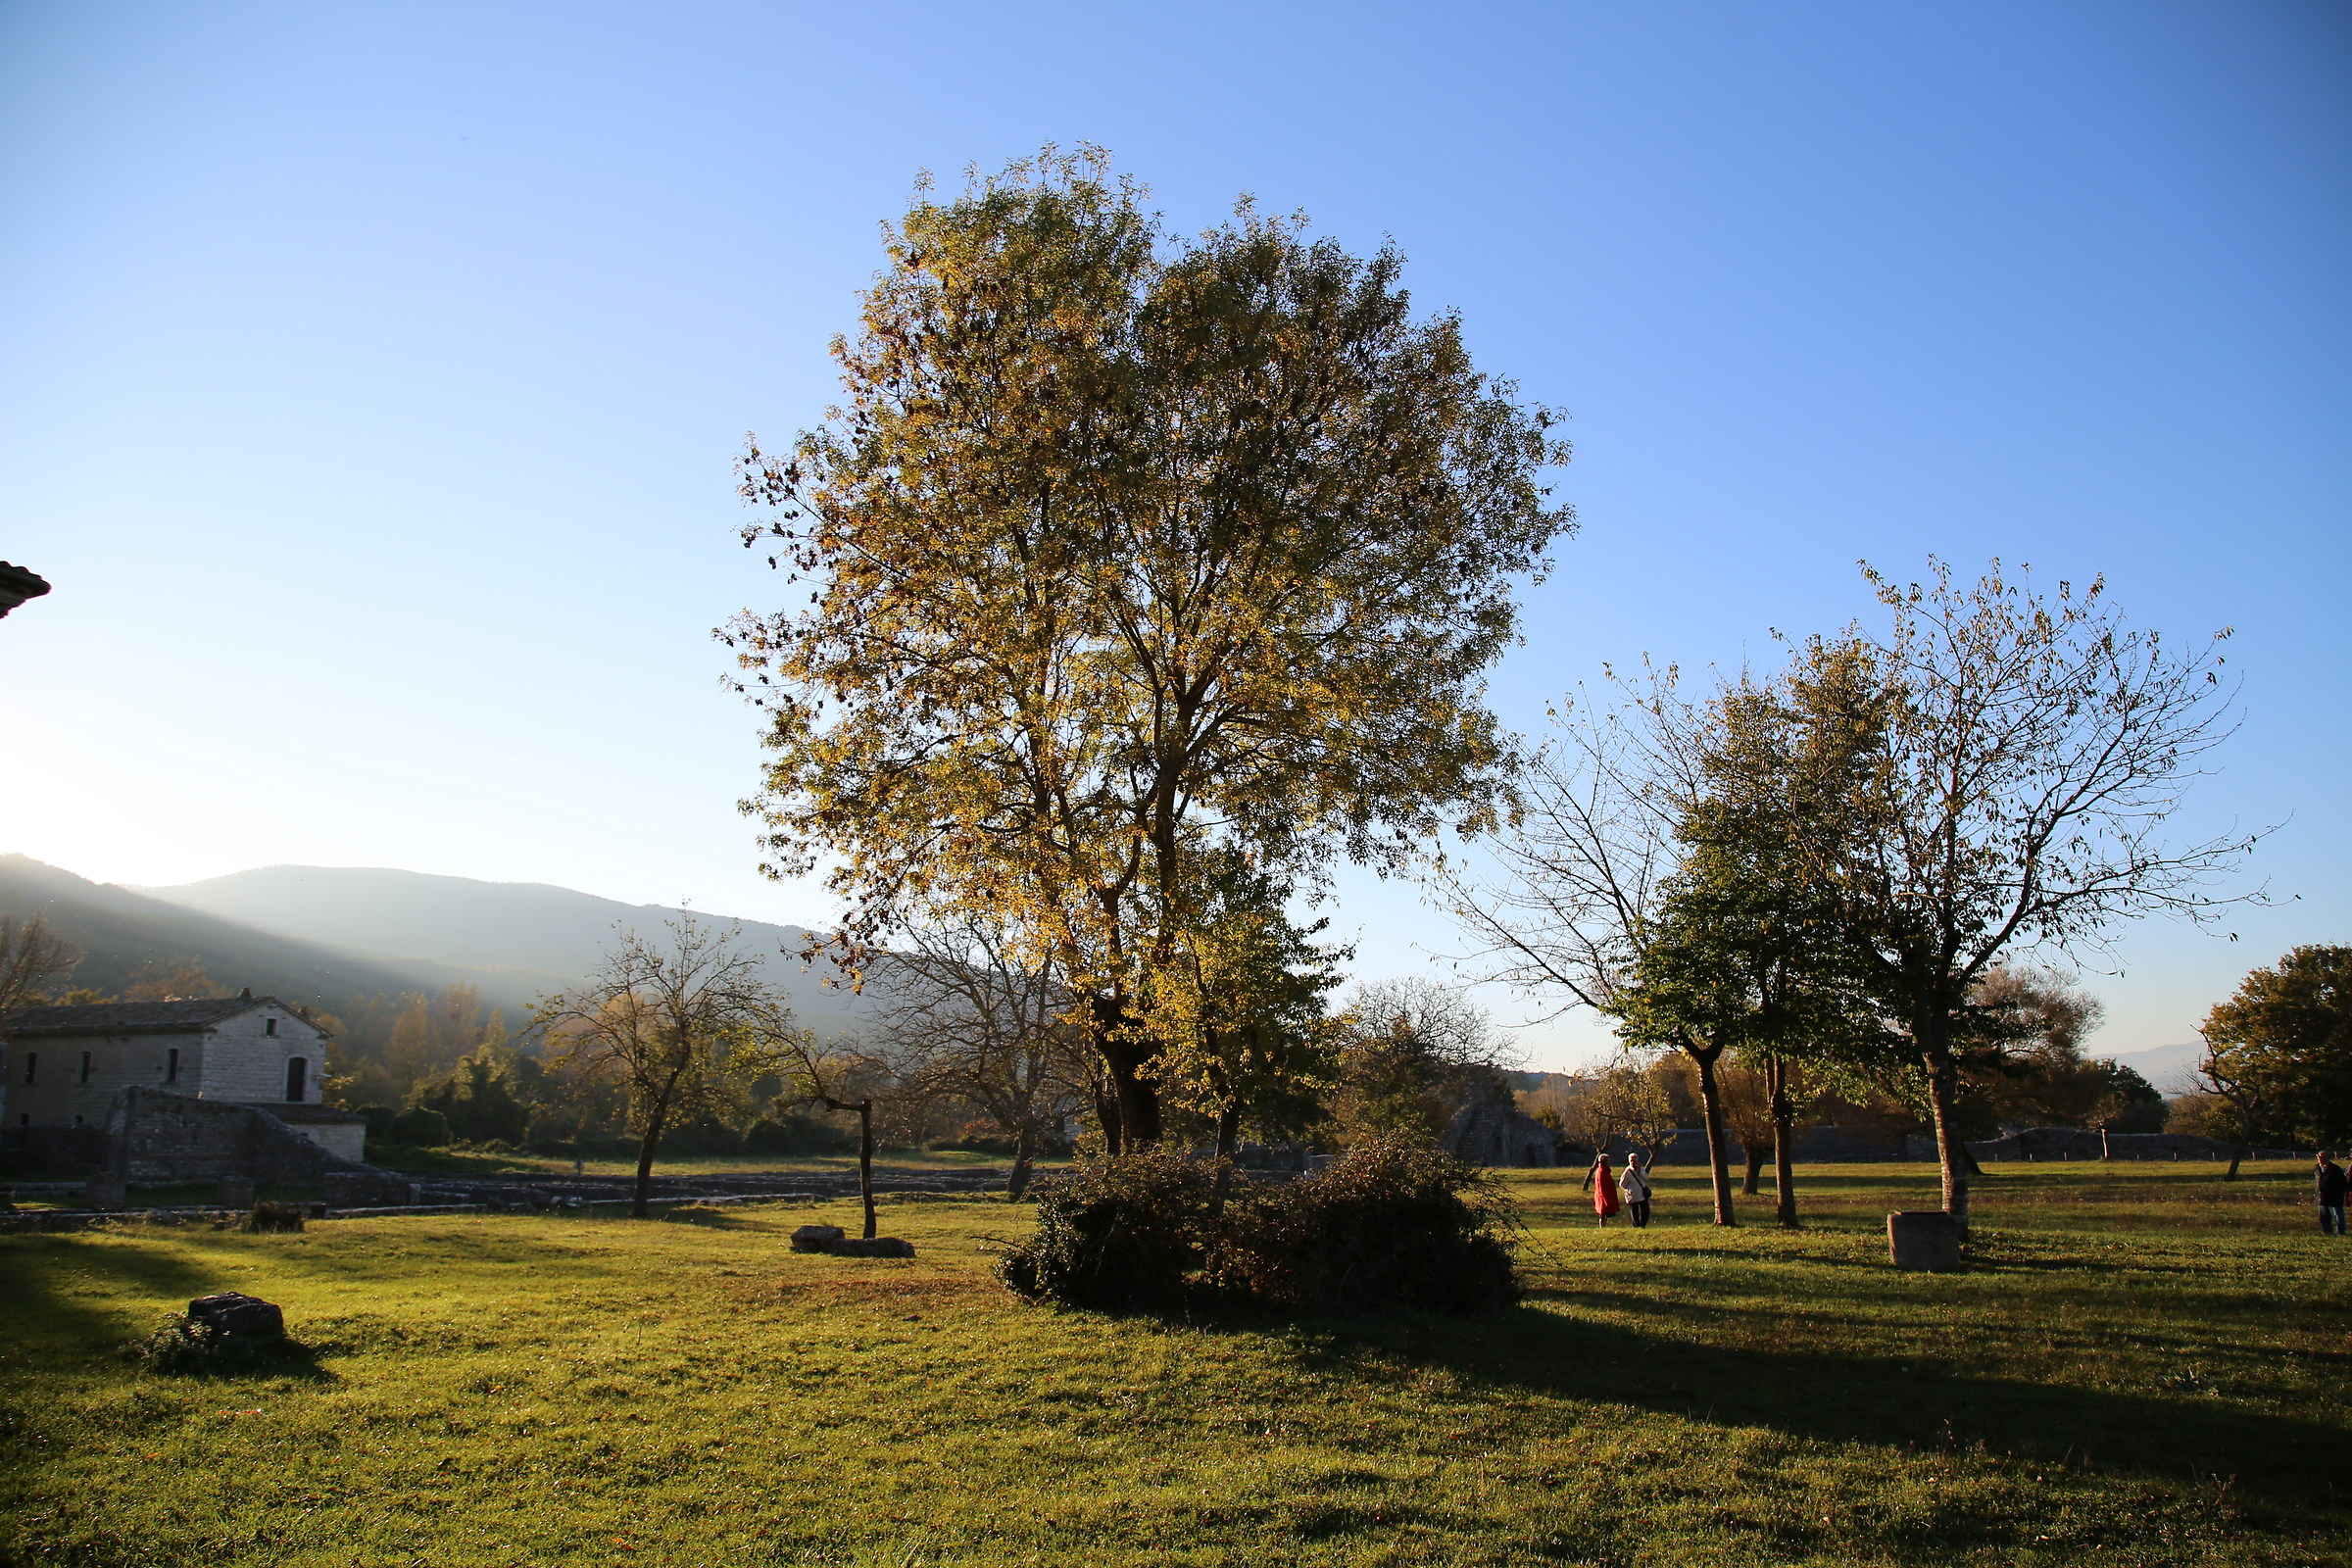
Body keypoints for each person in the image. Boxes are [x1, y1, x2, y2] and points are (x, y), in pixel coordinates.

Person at [2316, 1151, 2346, 1237]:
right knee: (2324, 1217)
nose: (2319, 1158)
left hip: (2334, 1197)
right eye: (2318, 1156)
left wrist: (2339, 1192)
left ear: (2327, 1158)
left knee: (2338, 1216)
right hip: (2322, 1196)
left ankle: (2341, 1232)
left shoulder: (2335, 1169)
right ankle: (2327, 1232)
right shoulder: (2317, 1168)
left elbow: (2343, 1183)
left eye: (2321, 1157)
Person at [1620, 1151, 1653, 1229]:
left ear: (1637, 1161)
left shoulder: (1641, 1170)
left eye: (1634, 1160)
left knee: (1645, 1210)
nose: (1633, 1162)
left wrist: (1640, 1173)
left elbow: (1647, 1178)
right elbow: (1622, 1184)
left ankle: (1643, 1224)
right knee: (1634, 1211)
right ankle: (1636, 1225)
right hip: (1633, 1195)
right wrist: (1629, 1189)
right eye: (1631, 1161)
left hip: (1642, 1194)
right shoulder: (1627, 1171)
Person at [1592, 1152, 1622, 1228]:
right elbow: (1602, 1187)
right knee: (1603, 1214)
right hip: (1603, 1197)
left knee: (1605, 1214)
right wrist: (1607, 1200)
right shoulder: (1602, 1172)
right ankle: (1602, 1227)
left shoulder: (1603, 1171)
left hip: (1604, 1196)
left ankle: (1604, 1226)